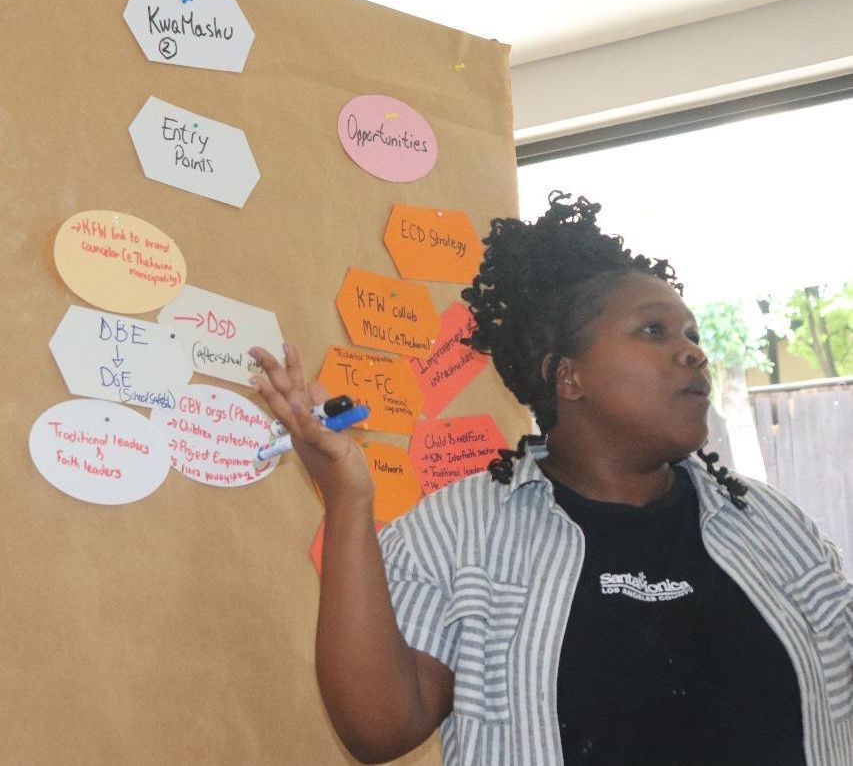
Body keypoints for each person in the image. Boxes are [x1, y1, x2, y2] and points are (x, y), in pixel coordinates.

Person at [249, 192, 852, 766]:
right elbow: (379, 729)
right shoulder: (458, 535)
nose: (693, 352)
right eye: (654, 331)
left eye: (692, 335)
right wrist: (347, 498)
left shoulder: (774, 528)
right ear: (568, 377)